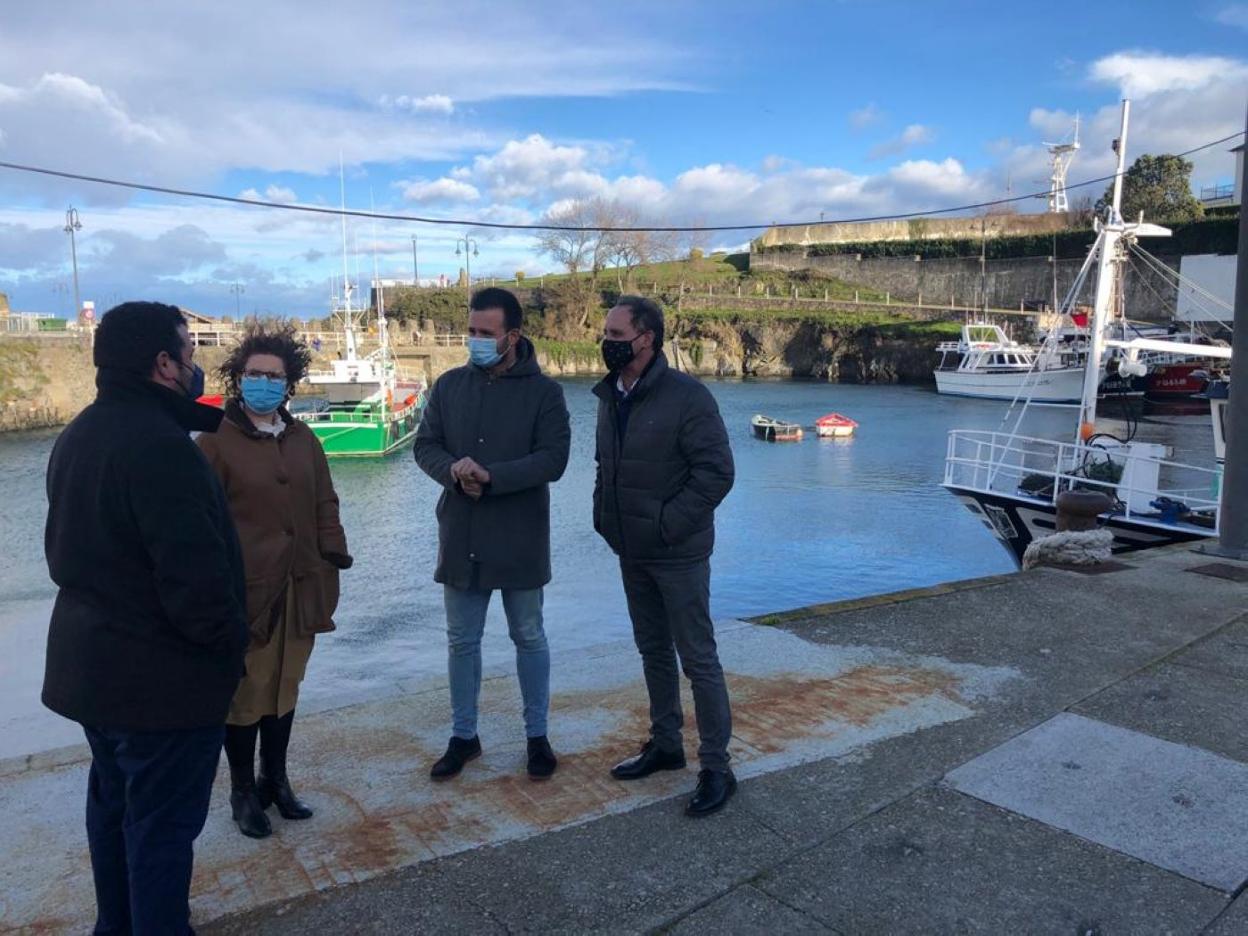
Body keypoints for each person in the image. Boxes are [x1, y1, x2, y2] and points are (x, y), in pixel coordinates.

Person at [43, 301, 248, 934]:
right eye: (190, 350)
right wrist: (228, 649)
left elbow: (67, 554)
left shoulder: (81, 433)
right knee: (160, 834)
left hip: (92, 672)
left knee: (113, 815)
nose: (196, 363)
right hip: (160, 687)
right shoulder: (162, 448)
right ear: (163, 363)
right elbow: (195, 581)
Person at [196, 324, 352, 839]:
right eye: (253, 374)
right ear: (239, 379)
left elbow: (324, 498)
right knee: (246, 695)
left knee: (284, 687)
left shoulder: (304, 438)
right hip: (249, 592)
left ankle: (276, 779)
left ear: (290, 385)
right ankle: (242, 791)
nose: (263, 382)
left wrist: (334, 550)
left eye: (274, 376)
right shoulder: (215, 442)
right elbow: (200, 521)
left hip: (302, 585)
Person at [414, 287, 570, 781]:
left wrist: (492, 476)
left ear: (512, 336)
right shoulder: (448, 385)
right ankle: (464, 737)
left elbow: (554, 459)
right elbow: (426, 446)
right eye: (471, 331)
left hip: (520, 536)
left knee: (529, 636)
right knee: (461, 641)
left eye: (486, 333)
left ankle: (537, 737)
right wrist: (452, 471)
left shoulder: (545, 393)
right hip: (462, 534)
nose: (475, 340)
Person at [592, 296, 737, 817]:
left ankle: (717, 767)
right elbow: (604, 465)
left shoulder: (688, 397)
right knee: (652, 652)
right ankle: (666, 745)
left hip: (677, 553)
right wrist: (603, 518)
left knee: (698, 659)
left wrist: (666, 525)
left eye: (614, 334)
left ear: (646, 337)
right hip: (631, 550)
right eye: (605, 333)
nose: (605, 342)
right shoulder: (610, 395)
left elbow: (717, 473)